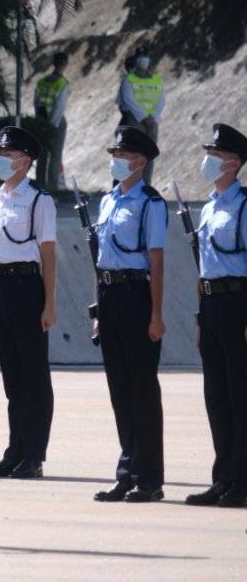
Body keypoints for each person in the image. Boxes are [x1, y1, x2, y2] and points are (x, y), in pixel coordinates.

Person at [92, 126, 168, 503]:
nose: (116, 162)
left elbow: (156, 260)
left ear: (140, 161)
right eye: (115, 156)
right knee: (119, 388)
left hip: (136, 294)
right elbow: (100, 259)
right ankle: (127, 471)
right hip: (109, 297)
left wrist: (156, 314)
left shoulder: (151, 203)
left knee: (141, 388)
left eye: (123, 156)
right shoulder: (107, 201)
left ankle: (149, 478)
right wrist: (96, 308)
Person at [0, 127, 57, 480]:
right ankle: (15, 450)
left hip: (28, 285)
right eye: (1, 153)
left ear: (26, 161)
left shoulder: (39, 199)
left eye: (9, 155)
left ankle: (34, 454)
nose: (2, 160)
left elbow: (48, 253)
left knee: (33, 374)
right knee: (13, 375)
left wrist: (50, 302)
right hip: (0, 285)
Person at [185, 123, 247, 508]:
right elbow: (204, 265)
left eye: (216, 154)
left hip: (238, 302)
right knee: (216, 396)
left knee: (241, 395)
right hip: (211, 305)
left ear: (234, 163)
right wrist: (200, 317)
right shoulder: (209, 206)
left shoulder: (244, 206)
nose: (208, 160)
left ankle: (241, 480)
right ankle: (223, 477)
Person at [117, 45, 164, 184]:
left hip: (152, 122)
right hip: (136, 121)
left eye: (146, 57)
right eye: (141, 57)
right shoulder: (128, 79)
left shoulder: (157, 79)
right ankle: (131, 185)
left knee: (149, 155)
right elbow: (129, 100)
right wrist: (144, 117)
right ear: (136, 59)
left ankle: (145, 185)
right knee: (134, 155)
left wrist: (152, 117)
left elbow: (161, 100)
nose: (144, 60)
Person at [33, 51, 70, 189]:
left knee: (42, 155)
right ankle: (53, 186)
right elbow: (59, 107)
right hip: (56, 123)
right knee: (55, 155)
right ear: (65, 64)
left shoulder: (41, 82)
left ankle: (40, 184)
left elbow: (36, 102)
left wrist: (40, 120)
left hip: (41, 121)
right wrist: (52, 125)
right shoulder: (63, 83)